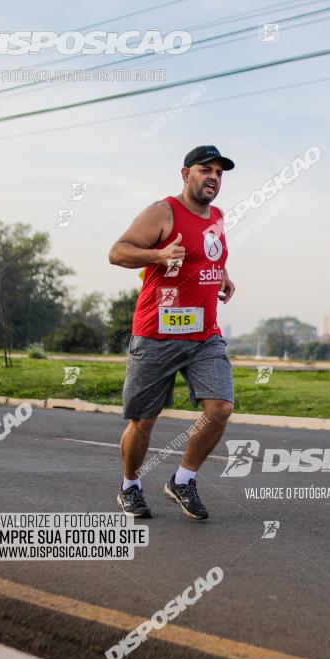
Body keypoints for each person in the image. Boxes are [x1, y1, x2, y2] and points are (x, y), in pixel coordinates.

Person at [108, 145, 236, 521]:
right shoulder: (163, 212)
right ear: (185, 174)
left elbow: (210, 256)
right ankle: (130, 485)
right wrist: (159, 256)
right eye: (205, 169)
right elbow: (117, 252)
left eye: (219, 172)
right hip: (157, 332)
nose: (213, 177)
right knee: (144, 421)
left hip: (204, 334)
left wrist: (224, 277)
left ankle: (183, 480)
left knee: (221, 408)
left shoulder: (219, 216)